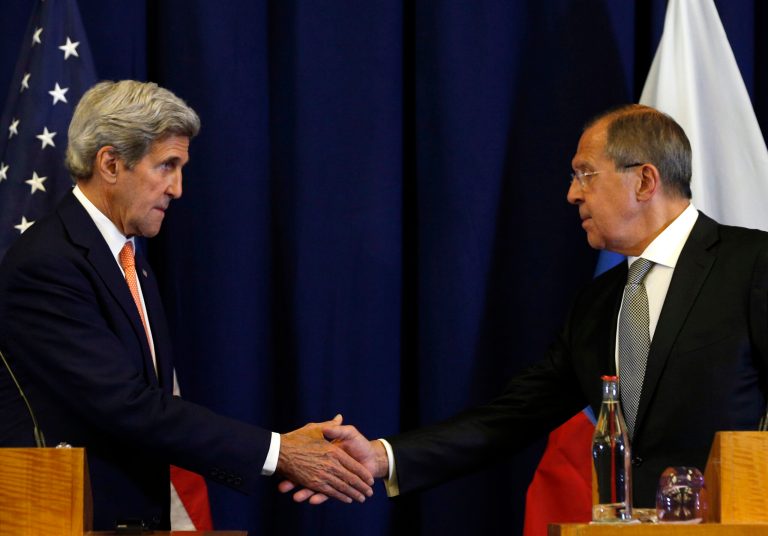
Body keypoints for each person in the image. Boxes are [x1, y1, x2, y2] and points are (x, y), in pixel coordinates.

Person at [281, 104, 768, 509]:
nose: (572, 193)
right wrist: (384, 458)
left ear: (644, 181)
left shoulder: (752, 266)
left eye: (585, 175)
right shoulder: (598, 303)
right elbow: (513, 417)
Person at [0, 80, 373, 530]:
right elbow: (126, 405)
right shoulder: (47, 264)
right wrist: (278, 452)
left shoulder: (130, 260)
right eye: (167, 166)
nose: (177, 188)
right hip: (64, 518)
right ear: (111, 163)